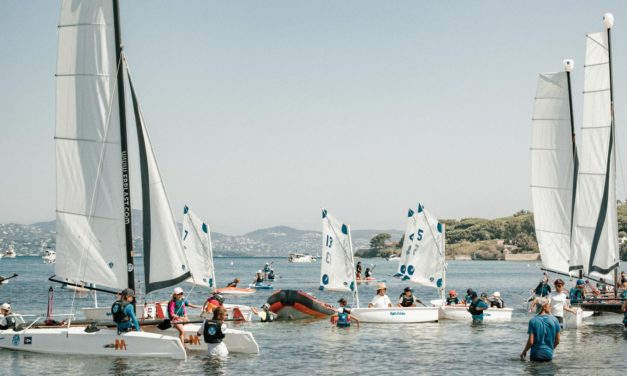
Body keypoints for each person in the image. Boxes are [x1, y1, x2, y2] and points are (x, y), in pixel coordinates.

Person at [520, 298, 561, 362]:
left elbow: (531, 342)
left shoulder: (533, 321)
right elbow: (557, 341)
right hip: (548, 354)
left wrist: (524, 351)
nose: (550, 307)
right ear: (544, 307)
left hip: (535, 354)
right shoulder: (555, 320)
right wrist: (550, 350)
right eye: (549, 305)